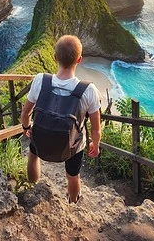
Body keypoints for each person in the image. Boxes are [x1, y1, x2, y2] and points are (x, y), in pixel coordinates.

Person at [21, 35, 101, 203]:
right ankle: (73, 202)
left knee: (33, 155)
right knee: (73, 175)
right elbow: (96, 128)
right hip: (71, 145)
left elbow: (26, 111)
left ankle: (32, 187)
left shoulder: (41, 80)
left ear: (55, 57)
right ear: (79, 59)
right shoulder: (89, 90)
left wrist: (26, 127)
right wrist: (95, 144)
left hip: (41, 136)